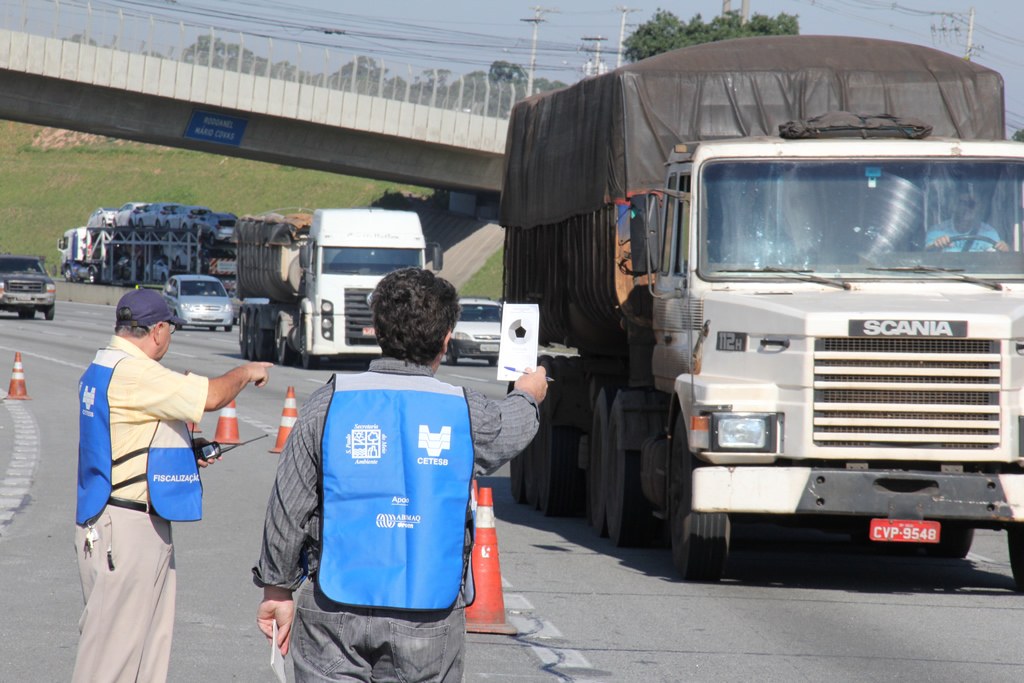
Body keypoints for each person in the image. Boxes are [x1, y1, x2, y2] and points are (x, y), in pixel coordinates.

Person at [253, 267, 548, 682]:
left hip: (334, 603)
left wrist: (277, 587)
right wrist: (528, 395)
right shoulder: (464, 410)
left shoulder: (330, 402)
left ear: (375, 331)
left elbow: (289, 503)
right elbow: (511, 428)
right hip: (430, 611)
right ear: (447, 338)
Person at [73, 288, 272, 683]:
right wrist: (247, 371)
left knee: (142, 655)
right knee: (110, 665)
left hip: (109, 518)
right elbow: (213, 396)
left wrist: (181, 451)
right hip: (129, 530)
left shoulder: (103, 364)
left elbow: (126, 440)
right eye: (171, 331)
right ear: (159, 330)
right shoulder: (136, 372)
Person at [926, 192, 1008, 252]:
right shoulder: (937, 232)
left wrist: (1003, 251)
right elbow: (926, 257)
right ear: (953, 205)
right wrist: (937, 245)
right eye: (961, 203)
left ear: (978, 206)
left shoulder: (989, 233)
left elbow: (995, 260)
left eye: (971, 204)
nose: (965, 209)